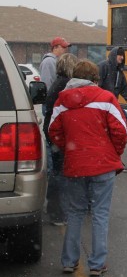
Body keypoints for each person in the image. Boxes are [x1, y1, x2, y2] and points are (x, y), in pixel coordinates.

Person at [48, 59, 127, 276]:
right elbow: (120, 130)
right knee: (100, 213)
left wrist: (70, 148)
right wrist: (114, 152)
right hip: (102, 165)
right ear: (95, 78)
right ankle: (97, 263)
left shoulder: (61, 102)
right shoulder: (106, 99)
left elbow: (53, 131)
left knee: (75, 212)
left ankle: (69, 260)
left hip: (75, 164)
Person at [42, 53, 79, 226]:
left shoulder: (58, 82)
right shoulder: (65, 85)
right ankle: (58, 213)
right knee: (61, 174)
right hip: (58, 135)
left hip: (52, 133)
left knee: (57, 173)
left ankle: (54, 209)